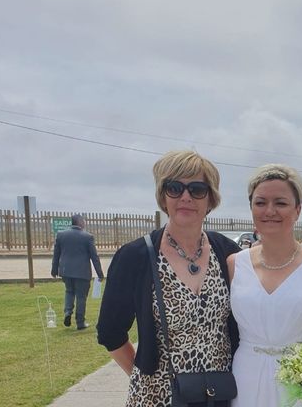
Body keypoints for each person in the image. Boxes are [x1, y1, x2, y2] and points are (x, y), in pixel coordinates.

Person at [97, 150, 240, 407]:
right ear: (164, 196)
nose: (186, 196)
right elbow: (110, 332)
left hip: (218, 393)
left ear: (211, 199)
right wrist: (145, 375)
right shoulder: (135, 256)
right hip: (158, 396)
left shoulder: (228, 252)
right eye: (175, 188)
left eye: (197, 189)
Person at [228, 164, 302, 407]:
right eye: (260, 203)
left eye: (280, 203)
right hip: (245, 378)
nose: (270, 210)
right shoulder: (234, 264)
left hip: (301, 384)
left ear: (298, 209)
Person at [51, 214, 104, 330]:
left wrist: (54, 269)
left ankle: (67, 312)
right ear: (80, 222)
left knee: (69, 291)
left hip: (66, 271)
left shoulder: (61, 235)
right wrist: (100, 273)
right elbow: (94, 257)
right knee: (81, 296)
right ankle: (80, 322)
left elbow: (56, 254)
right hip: (82, 272)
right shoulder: (88, 237)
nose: (85, 223)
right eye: (84, 221)